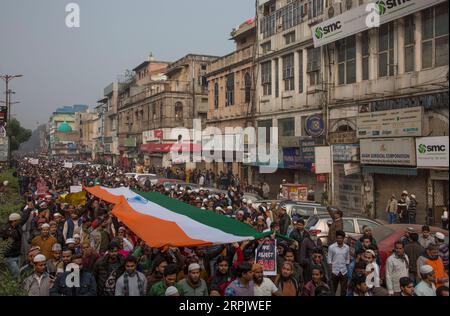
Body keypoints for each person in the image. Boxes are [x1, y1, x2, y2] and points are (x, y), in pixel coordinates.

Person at [0, 213, 27, 277]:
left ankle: (16, 285)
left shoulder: (18, 227)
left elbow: (24, 218)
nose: (20, 221)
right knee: (16, 274)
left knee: (17, 273)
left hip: (17, 255)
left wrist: (29, 208)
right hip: (9, 256)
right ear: (14, 221)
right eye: (18, 220)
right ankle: (16, 285)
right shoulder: (5, 229)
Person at [327, 230, 350, 296]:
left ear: (343, 238)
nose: (339, 239)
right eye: (338, 238)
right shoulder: (331, 247)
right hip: (334, 272)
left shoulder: (347, 247)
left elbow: (347, 260)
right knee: (333, 290)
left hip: (344, 272)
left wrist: (347, 271)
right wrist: (331, 272)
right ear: (336, 238)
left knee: (344, 291)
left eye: (341, 238)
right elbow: (329, 260)